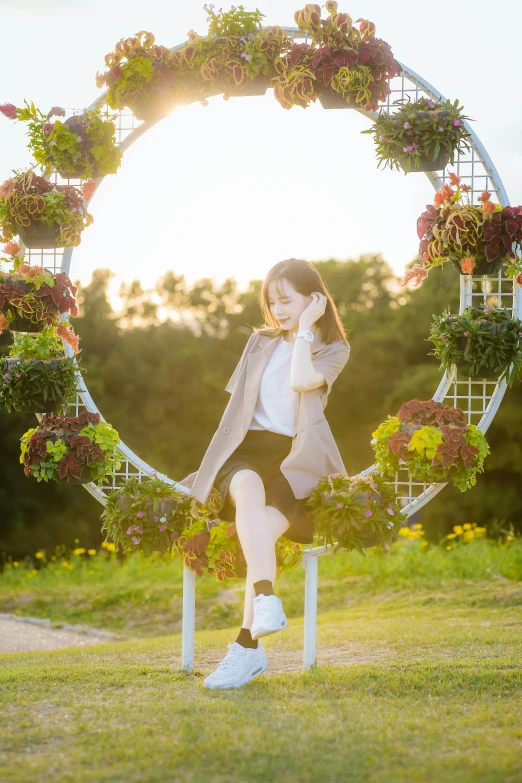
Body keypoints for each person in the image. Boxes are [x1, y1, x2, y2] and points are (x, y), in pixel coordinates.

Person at [180, 258, 350, 689]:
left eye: (287, 300)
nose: (277, 310)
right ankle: (264, 603)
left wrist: (306, 327)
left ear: (314, 298)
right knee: (246, 488)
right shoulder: (259, 342)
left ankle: (248, 646)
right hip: (245, 448)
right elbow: (239, 407)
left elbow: (299, 382)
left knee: (259, 536)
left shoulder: (333, 349)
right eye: (271, 302)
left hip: (294, 460)